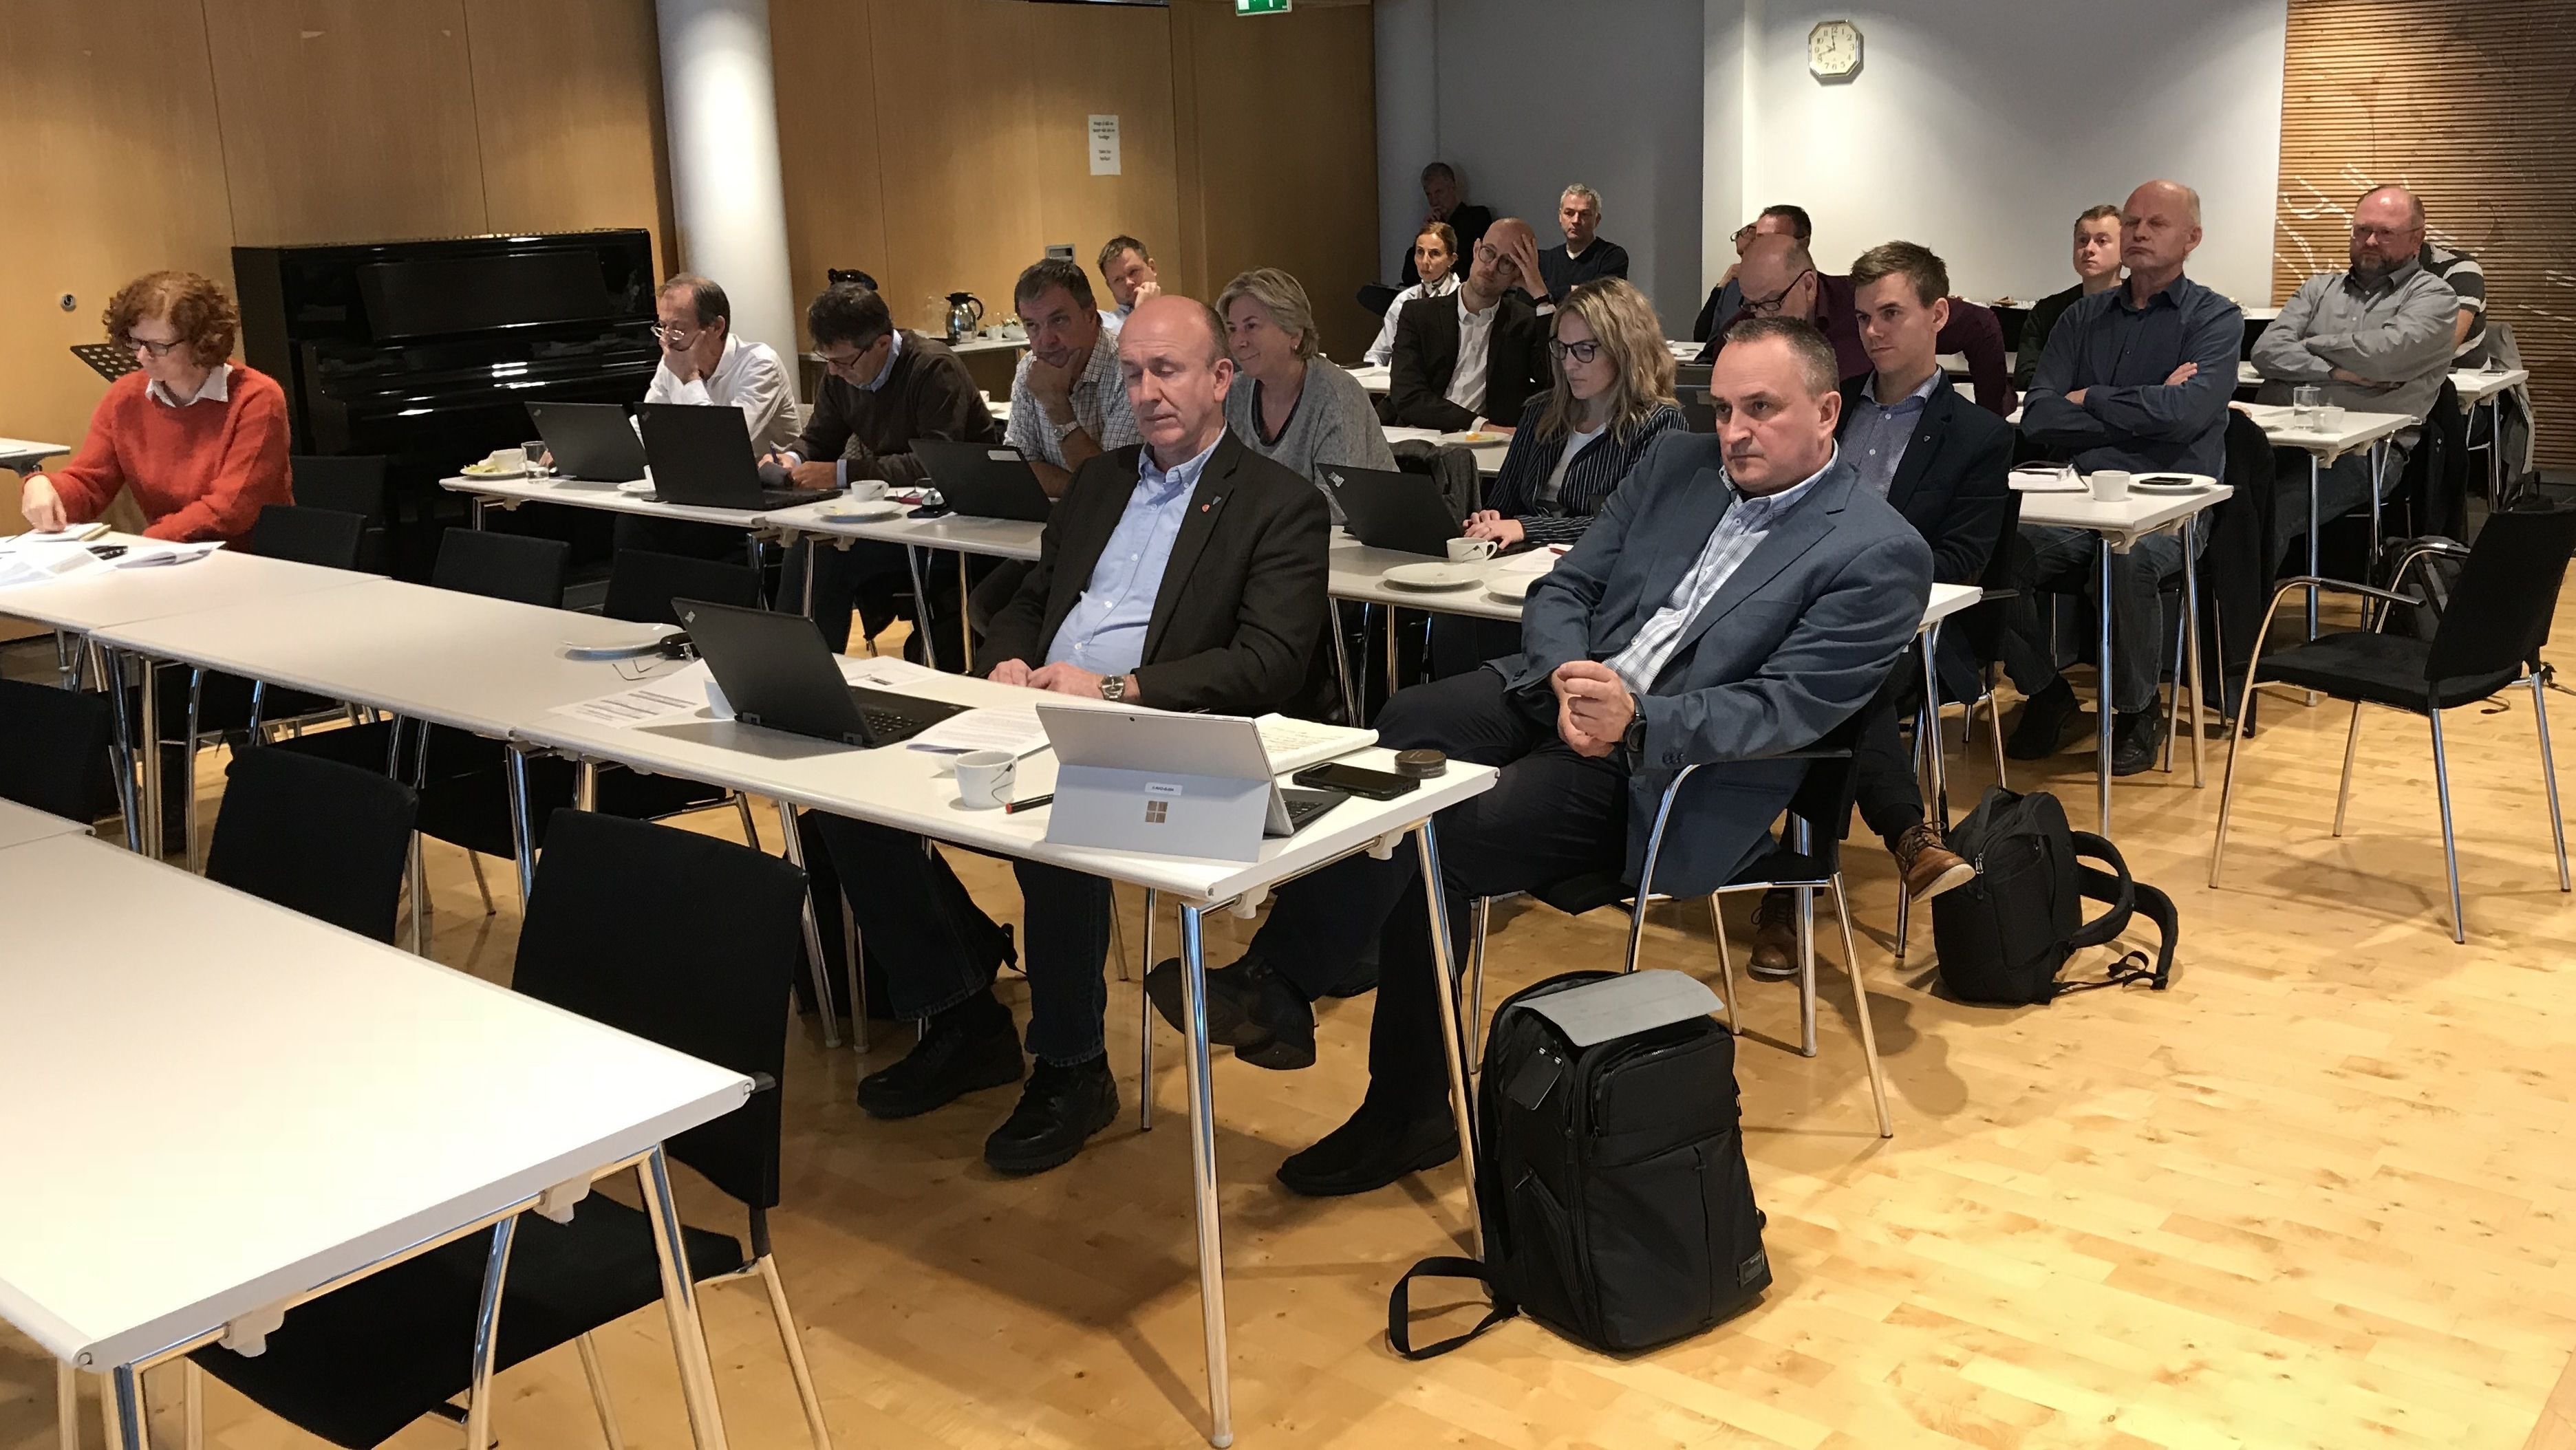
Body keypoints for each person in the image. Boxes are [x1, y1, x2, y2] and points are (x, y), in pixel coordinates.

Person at [1143, 317, 1933, 1194]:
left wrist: (1636, 717)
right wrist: (1566, 673)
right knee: (1408, 718)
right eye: (1722, 409)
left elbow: (1787, 706)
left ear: (1826, 412)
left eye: (1761, 409)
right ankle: (1315, 981)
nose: (1735, 432)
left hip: (1667, 770)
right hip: (1560, 692)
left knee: (1433, 831)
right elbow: (1569, 583)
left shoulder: (1877, 549)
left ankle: (1364, 1064)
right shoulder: (1678, 465)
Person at [811, 295, 1329, 1176]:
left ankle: (1072, 1065)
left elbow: (1269, 661)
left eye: (1167, 370)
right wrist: (1007, 662)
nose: (1148, 391)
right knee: (846, 797)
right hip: (1035, 707)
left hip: (1156, 731)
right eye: (1134, 373)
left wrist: (1115, 687)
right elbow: (1027, 601)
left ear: (1219, 379)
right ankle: (962, 1009)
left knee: (1065, 824)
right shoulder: (1099, 482)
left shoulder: (1279, 503)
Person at [1743, 241, 2011, 976]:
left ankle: (1788, 895)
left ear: (1938, 314)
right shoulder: (1830, 408)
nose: (1873, 332)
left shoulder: (1980, 435)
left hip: (1912, 631)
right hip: (1792, 609)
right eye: (1863, 317)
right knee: (1826, 671)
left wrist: (1859, 577)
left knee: (1836, 677)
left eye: (1891, 314)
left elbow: (1962, 558)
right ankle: (1908, 836)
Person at [2004, 180, 2240, 775]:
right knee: (1994, 552)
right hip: (2080, 499)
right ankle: (2046, 691)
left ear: (2192, 238)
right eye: (2132, 222)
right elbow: (2042, 415)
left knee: (2126, 560)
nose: (2138, 233)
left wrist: (2092, 397)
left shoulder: (2214, 318)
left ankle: (2138, 710)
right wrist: (2151, 401)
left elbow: (2188, 415)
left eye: (2155, 224)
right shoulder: (2081, 318)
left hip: (2172, 504)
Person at [1431, 277, 1684, 678]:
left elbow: (1625, 528)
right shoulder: (1541, 411)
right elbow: (1505, 501)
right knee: (1452, 619)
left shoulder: (1658, 424)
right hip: (1511, 572)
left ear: (1625, 349)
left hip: (1590, 587)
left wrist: (1524, 527)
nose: (1569, 364)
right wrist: (1492, 519)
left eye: (1585, 350)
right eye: (1562, 349)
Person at [766, 282, 1000, 651]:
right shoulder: (840, 374)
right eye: (827, 360)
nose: (834, 371)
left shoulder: (933, 368)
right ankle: (791, 667)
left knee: (823, 553)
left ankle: (804, 669)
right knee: (806, 543)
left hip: (958, 521)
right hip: (891, 514)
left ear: (881, 343)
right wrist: (790, 459)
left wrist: (840, 473)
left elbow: (934, 464)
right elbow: (820, 439)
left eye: (843, 361)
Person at [2250, 184, 2458, 542]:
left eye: (2386, 232)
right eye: (2362, 230)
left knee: (2270, 514)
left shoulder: (2435, 297)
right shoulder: (2318, 289)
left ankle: (2251, 585)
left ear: (2416, 239)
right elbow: (2266, 351)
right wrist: (2336, 371)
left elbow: (2385, 357)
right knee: (2211, 503)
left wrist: (2308, 345)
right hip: (2281, 439)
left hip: (2368, 453)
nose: (2371, 241)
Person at [19, 272, 290, 543]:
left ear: (203, 342)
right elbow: (91, 483)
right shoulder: (125, 397)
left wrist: (147, 543)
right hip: (170, 551)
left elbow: (230, 509)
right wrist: (44, 486)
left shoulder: (257, 397)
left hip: (257, 556)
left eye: (158, 346)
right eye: (136, 342)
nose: (141, 356)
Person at [1697, 236, 2015, 417]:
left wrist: (1988, 417)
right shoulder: (1742, 331)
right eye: (1752, 304)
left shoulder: (1865, 301)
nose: (1763, 317)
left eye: (1773, 302)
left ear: (1808, 285)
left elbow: (1980, 324)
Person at [617, 272, 802, 560]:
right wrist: (591, 445)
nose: (666, 341)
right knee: (631, 522)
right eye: (662, 327)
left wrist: (691, 379)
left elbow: (721, 444)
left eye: (678, 329)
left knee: (686, 537)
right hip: (701, 492)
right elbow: (649, 424)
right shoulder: (672, 363)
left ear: (716, 327)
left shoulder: (759, 364)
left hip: (763, 495)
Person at [1218, 268, 1396, 510]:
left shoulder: (1336, 394)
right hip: (1269, 529)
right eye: (1232, 329)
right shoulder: (1234, 392)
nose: (1239, 341)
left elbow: (1337, 502)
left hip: (1358, 531)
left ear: (1294, 333)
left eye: (1251, 326)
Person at [1386, 218, 1556, 433]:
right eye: (1488, 252)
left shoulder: (1524, 322)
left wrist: (1541, 295)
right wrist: (1481, 426)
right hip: (1425, 436)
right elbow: (1408, 396)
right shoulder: (1418, 314)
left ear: (1518, 273)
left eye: (1506, 262)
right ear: (1476, 249)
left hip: (1493, 445)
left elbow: (1555, 380)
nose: (1491, 267)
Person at [2015, 205, 2124, 391]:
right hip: (2057, 406)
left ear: (2125, 249)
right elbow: (2025, 375)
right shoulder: (2047, 311)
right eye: (2083, 240)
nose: (2089, 249)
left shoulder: (2143, 307)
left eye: (2102, 241)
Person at [1693, 204, 1812, 343]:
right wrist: (1721, 286)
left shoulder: (1823, 294)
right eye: (1759, 239)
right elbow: (1707, 342)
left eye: (1772, 240)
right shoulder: (1733, 290)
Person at [1364, 223, 1460, 368]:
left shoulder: (1461, 300)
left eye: (1434, 253)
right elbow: (1378, 353)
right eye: (1420, 252)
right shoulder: (1404, 300)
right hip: (1398, 379)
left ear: (1451, 259)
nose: (1425, 261)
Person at [1400, 162, 1494, 288]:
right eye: (1429, 194)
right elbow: (1409, 276)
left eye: (1439, 192)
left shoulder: (1477, 217)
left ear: (1452, 188)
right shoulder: (1433, 228)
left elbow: (1464, 269)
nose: (1434, 201)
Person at [1536, 184, 1630, 299]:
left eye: (1584, 214)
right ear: (1560, 216)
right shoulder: (1544, 261)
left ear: (1597, 220)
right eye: (1569, 213)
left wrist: (1549, 294)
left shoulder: (1612, 257)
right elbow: (1525, 301)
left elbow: (1601, 299)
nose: (1576, 220)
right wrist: (1574, 290)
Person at [2420, 232, 2487, 366]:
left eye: (2386, 232)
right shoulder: (2379, 271)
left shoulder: (2460, 268)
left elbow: (2442, 349)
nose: (2376, 241)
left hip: (2462, 374)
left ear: (2417, 236)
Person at [1097, 235, 1161, 325]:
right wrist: (1144, 311)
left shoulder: (1179, 311)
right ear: (1110, 286)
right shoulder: (1103, 325)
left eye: (1133, 272)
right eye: (1118, 279)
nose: (1128, 283)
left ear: (1152, 268)